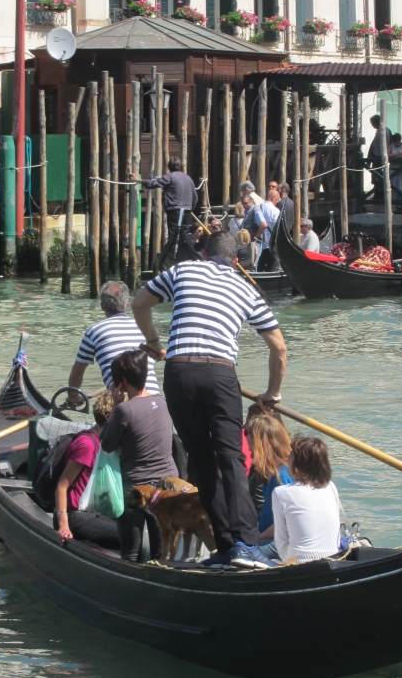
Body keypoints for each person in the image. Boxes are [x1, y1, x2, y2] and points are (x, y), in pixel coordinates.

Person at [131, 230, 288, 569]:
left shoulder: (183, 270)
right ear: (236, 262)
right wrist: (272, 394)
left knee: (201, 461)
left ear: (203, 254)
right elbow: (279, 347)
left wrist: (154, 342)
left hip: (178, 373)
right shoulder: (246, 288)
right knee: (231, 459)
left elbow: (139, 303)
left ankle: (226, 547)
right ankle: (245, 545)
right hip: (219, 374)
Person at [101, 350, 178, 560]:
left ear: (122, 383)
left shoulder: (124, 410)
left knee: (131, 552)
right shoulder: (162, 402)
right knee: (162, 551)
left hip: (135, 487)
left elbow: (106, 445)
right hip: (167, 484)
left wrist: (116, 405)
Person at [70, 281, 159, 397]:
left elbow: (78, 370)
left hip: (121, 399)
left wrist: (73, 396)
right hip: (155, 397)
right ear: (127, 305)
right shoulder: (144, 327)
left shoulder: (94, 331)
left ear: (102, 306)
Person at [55, 390, 120, 549]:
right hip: (76, 515)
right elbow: (62, 487)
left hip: (93, 509)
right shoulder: (87, 445)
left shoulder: (103, 441)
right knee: (129, 537)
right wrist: (63, 525)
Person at [272, 436, 341, 563]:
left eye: (290, 456)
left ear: (300, 463)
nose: (286, 460)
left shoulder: (281, 493)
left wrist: (288, 561)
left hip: (298, 561)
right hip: (333, 557)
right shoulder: (331, 486)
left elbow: (281, 543)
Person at [245, 412, 293, 543]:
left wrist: (258, 538)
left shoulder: (282, 476)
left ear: (258, 440)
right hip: (266, 534)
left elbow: (288, 521)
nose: (245, 437)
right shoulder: (268, 472)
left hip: (276, 540)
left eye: (247, 433)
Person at [140, 157, 198, 239]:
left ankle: (174, 247)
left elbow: (154, 183)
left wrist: (140, 181)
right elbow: (195, 197)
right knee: (185, 233)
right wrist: (190, 208)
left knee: (173, 233)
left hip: (174, 209)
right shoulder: (188, 178)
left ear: (169, 167)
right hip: (187, 209)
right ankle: (184, 247)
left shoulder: (169, 177)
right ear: (180, 166)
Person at [254, 188, 280, 271]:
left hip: (258, 244)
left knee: (258, 267)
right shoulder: (275, 211)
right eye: (277, 199)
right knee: (272, 268)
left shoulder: (257, 207)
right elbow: (277, 228)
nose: (278, 201)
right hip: (270, 244)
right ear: (272, 197)